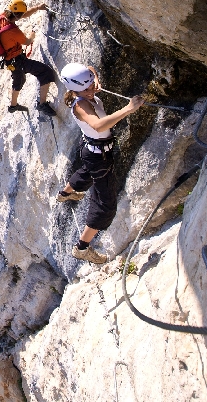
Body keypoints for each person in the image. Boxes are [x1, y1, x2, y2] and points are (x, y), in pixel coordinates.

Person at [56, 62, 144, 264]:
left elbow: (90, 69)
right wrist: (128, 109)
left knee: (87, 170)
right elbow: (98, 124)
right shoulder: (80, 105)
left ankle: (67, 193)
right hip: (98, 155)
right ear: (75, 89)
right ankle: (82, 248)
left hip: (92, 149)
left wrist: (94, 80)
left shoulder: (85, 88)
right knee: (105, 204)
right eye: (86, 88)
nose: (90, 90)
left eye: (90, 85)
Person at [0, 0, 58, 116]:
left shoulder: (2, 16)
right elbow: (28, 42)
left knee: (19, 80)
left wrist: (38, 8)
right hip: (18, 61)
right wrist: (32, 34)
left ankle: (13, 106)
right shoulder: (13, 31)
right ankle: (42, 104)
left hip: (10, 61)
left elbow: (22, 15)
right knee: (45, 72)